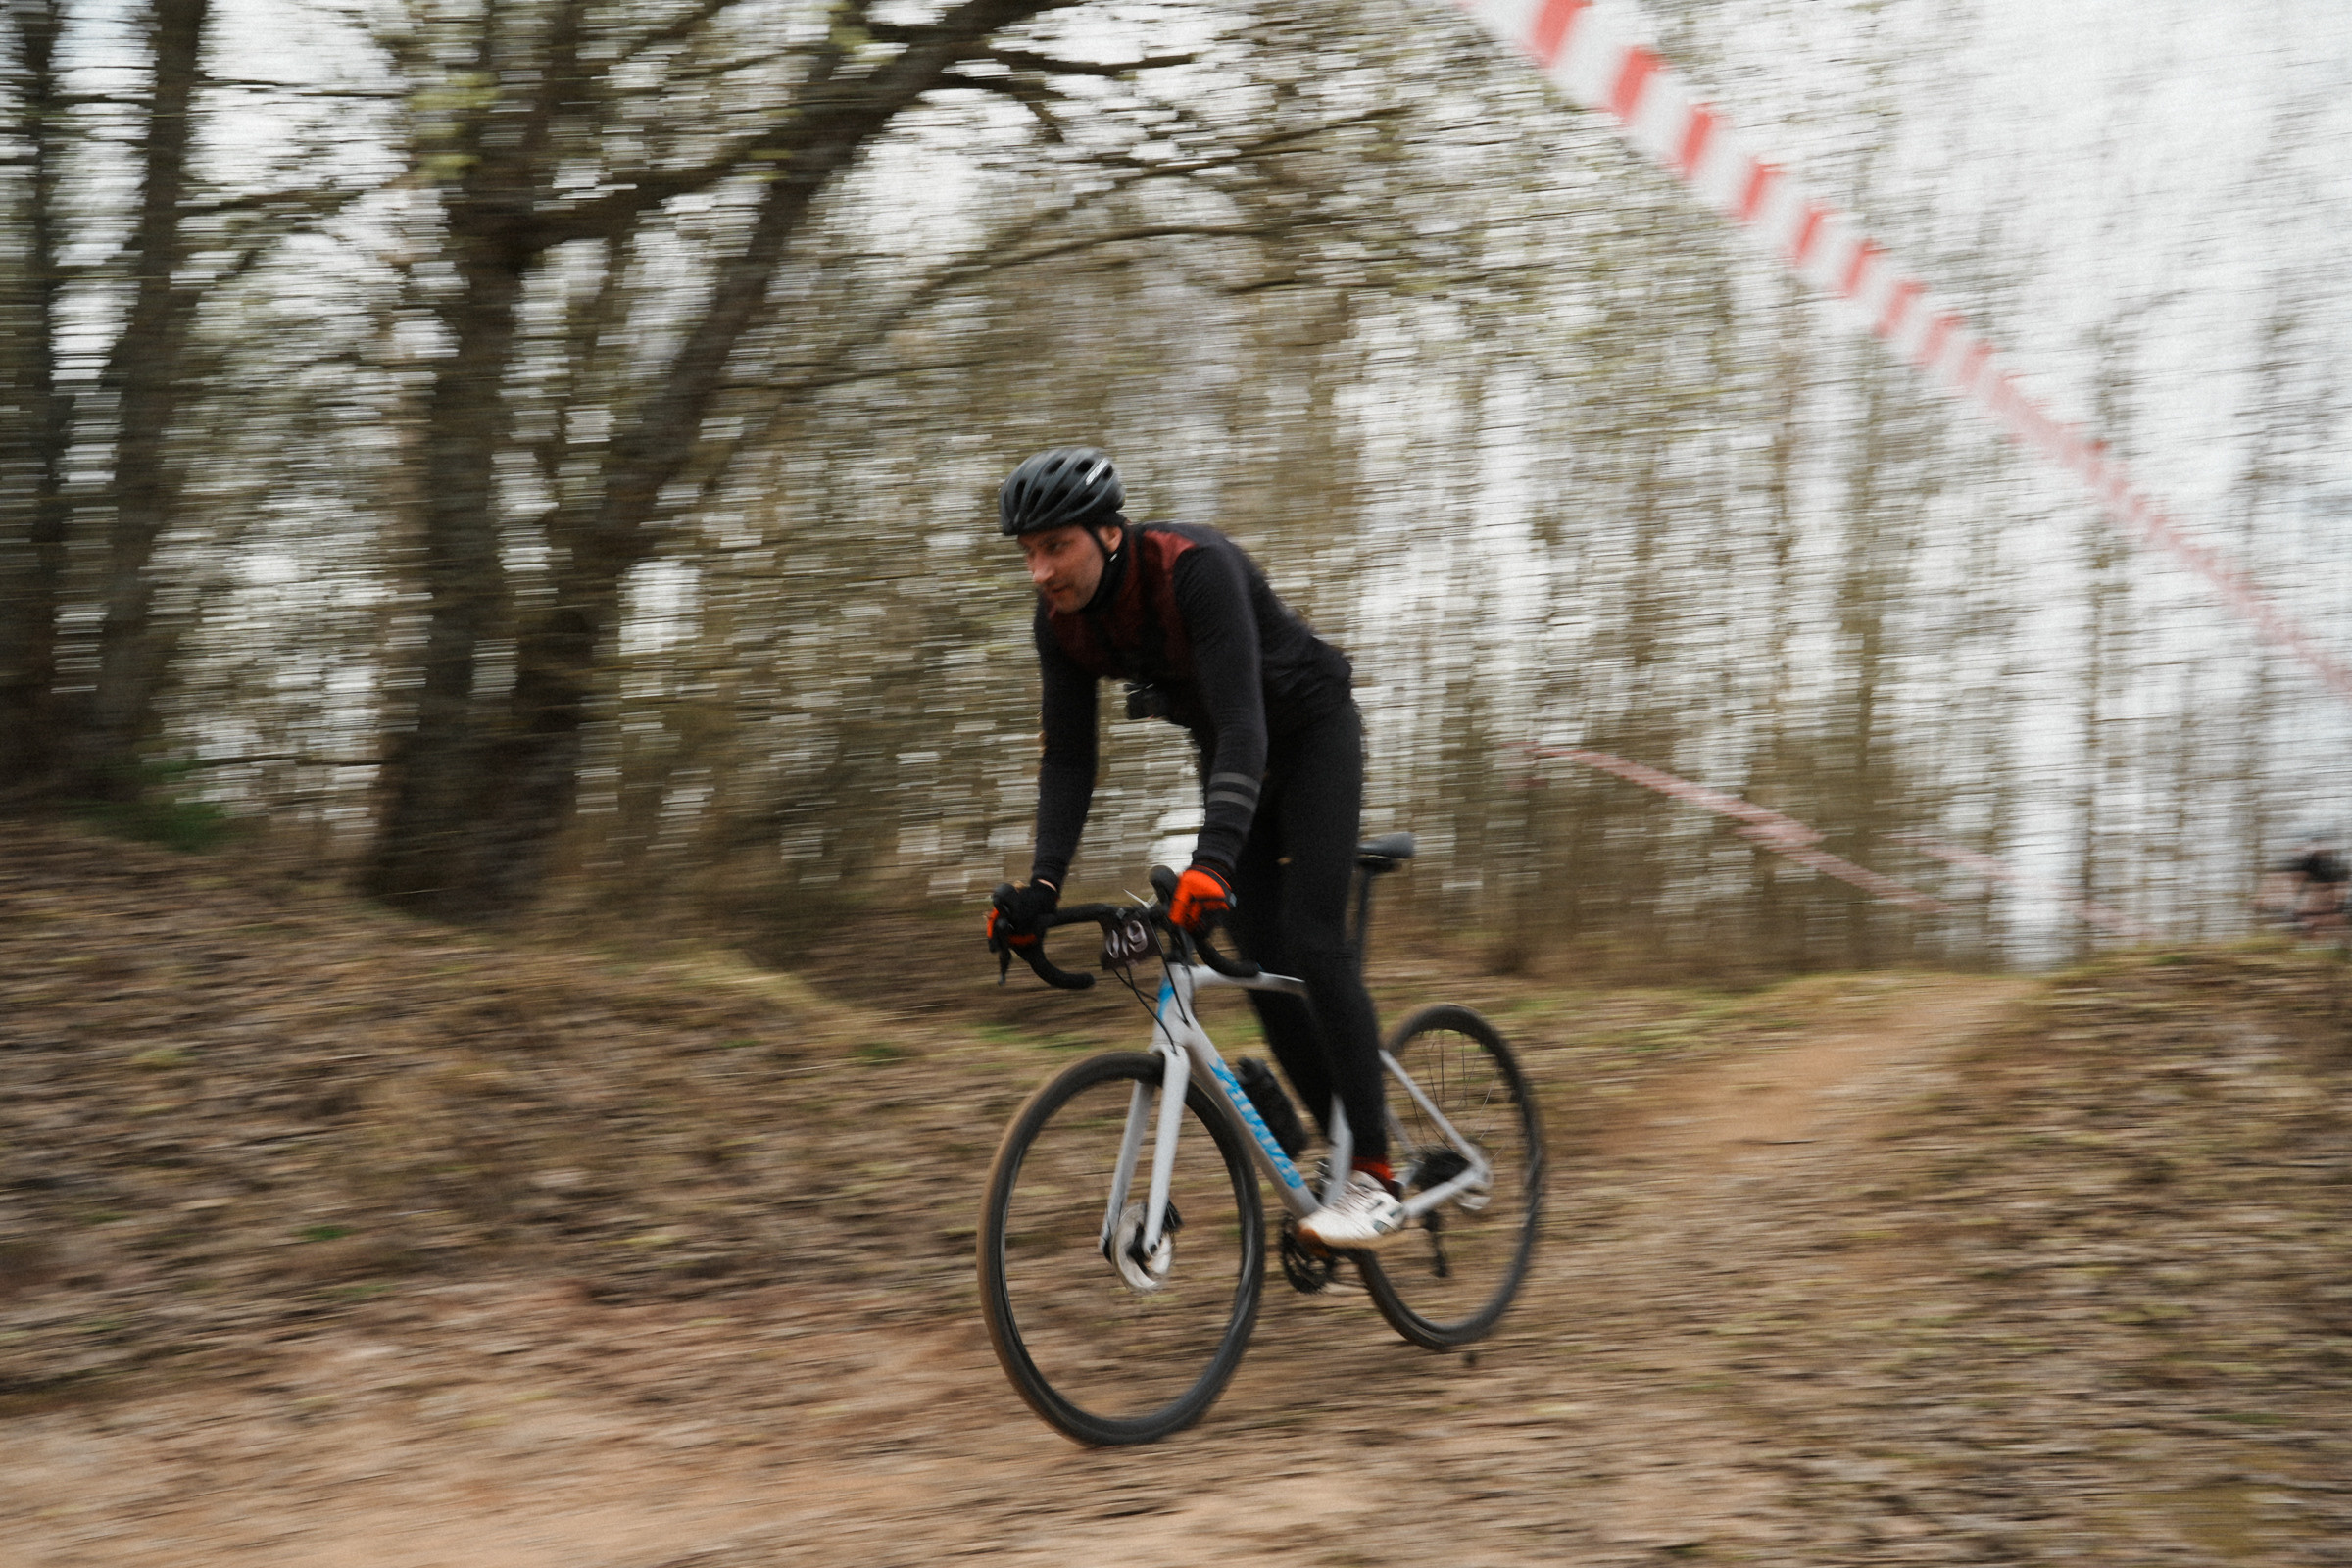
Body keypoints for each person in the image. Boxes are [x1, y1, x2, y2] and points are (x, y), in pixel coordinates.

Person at [984, 446, 1404, 1250]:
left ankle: (1376, 1175)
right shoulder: (1061, 624)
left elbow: (1245, 719)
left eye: (1055, 546)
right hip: (1231, 753)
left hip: (1309, 733)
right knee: (1257, 959)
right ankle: (1336, 1142)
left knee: (1315, 939)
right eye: (1028, 553)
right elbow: (1069, 759)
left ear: (1108, 534)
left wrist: (1210, 859)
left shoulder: (1192, 568)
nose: (1039, 570)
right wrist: (1040, 887)